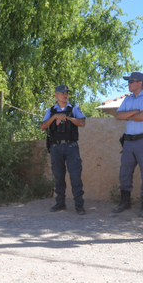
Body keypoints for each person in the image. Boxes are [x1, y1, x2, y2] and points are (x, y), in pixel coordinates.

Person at [113, 71, 143, 218]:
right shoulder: (128, 100)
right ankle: (125, 201)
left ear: (140, 83)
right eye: (129, 81)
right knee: (124, 172)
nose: (129, 83)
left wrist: (129, 115)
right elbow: (118, 116)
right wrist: (134, 112)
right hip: (128, 142)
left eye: (131, 81)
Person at [41, 85, 86, 215]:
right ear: (56, 95)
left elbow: (82, 123)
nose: (65, 95)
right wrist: (55, 117)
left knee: (75, 176)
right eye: (62, 93)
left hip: (71, 147)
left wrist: (67, 118)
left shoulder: (74, 108)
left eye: (67, 93)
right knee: (58, 177)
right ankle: (60, 203)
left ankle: (79, 205)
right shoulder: (50, 111)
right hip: (56, 148)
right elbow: (43, 126)